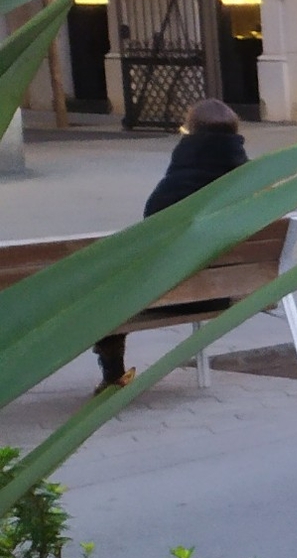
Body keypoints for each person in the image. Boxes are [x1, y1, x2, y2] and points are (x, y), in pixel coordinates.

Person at [93, 98, 249, 394]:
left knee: (107, 290)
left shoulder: (174, 189)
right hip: (229, 290)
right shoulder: (251, 181)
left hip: (174, 295)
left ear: (190, 136)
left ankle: (113, 374)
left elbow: (151, 231)